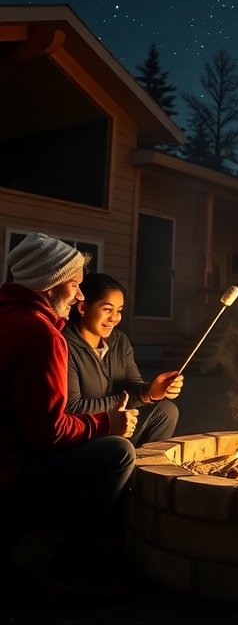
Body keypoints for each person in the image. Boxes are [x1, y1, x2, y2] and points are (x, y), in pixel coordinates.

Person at [0, 232, 138, 600]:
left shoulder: (9, 318)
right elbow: (47, 434)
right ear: (49, 283)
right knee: (118, 452)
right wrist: (107, 423)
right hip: (10, 475)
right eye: (74, 284)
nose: (79, 295)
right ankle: (66, 572)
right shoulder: (40, 334)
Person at [64, 272, 183, 447]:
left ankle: (147, 462)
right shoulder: (65, 345)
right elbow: (73, 408)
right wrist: (134, 397)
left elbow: (134, 386)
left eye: (119, 310)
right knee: (119, 444)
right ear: (83, 308)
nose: (114, 318)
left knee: (166, 411)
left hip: (120, 424)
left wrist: (151, 391)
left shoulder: (120, 341)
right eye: (107, 309)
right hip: (87, 433)